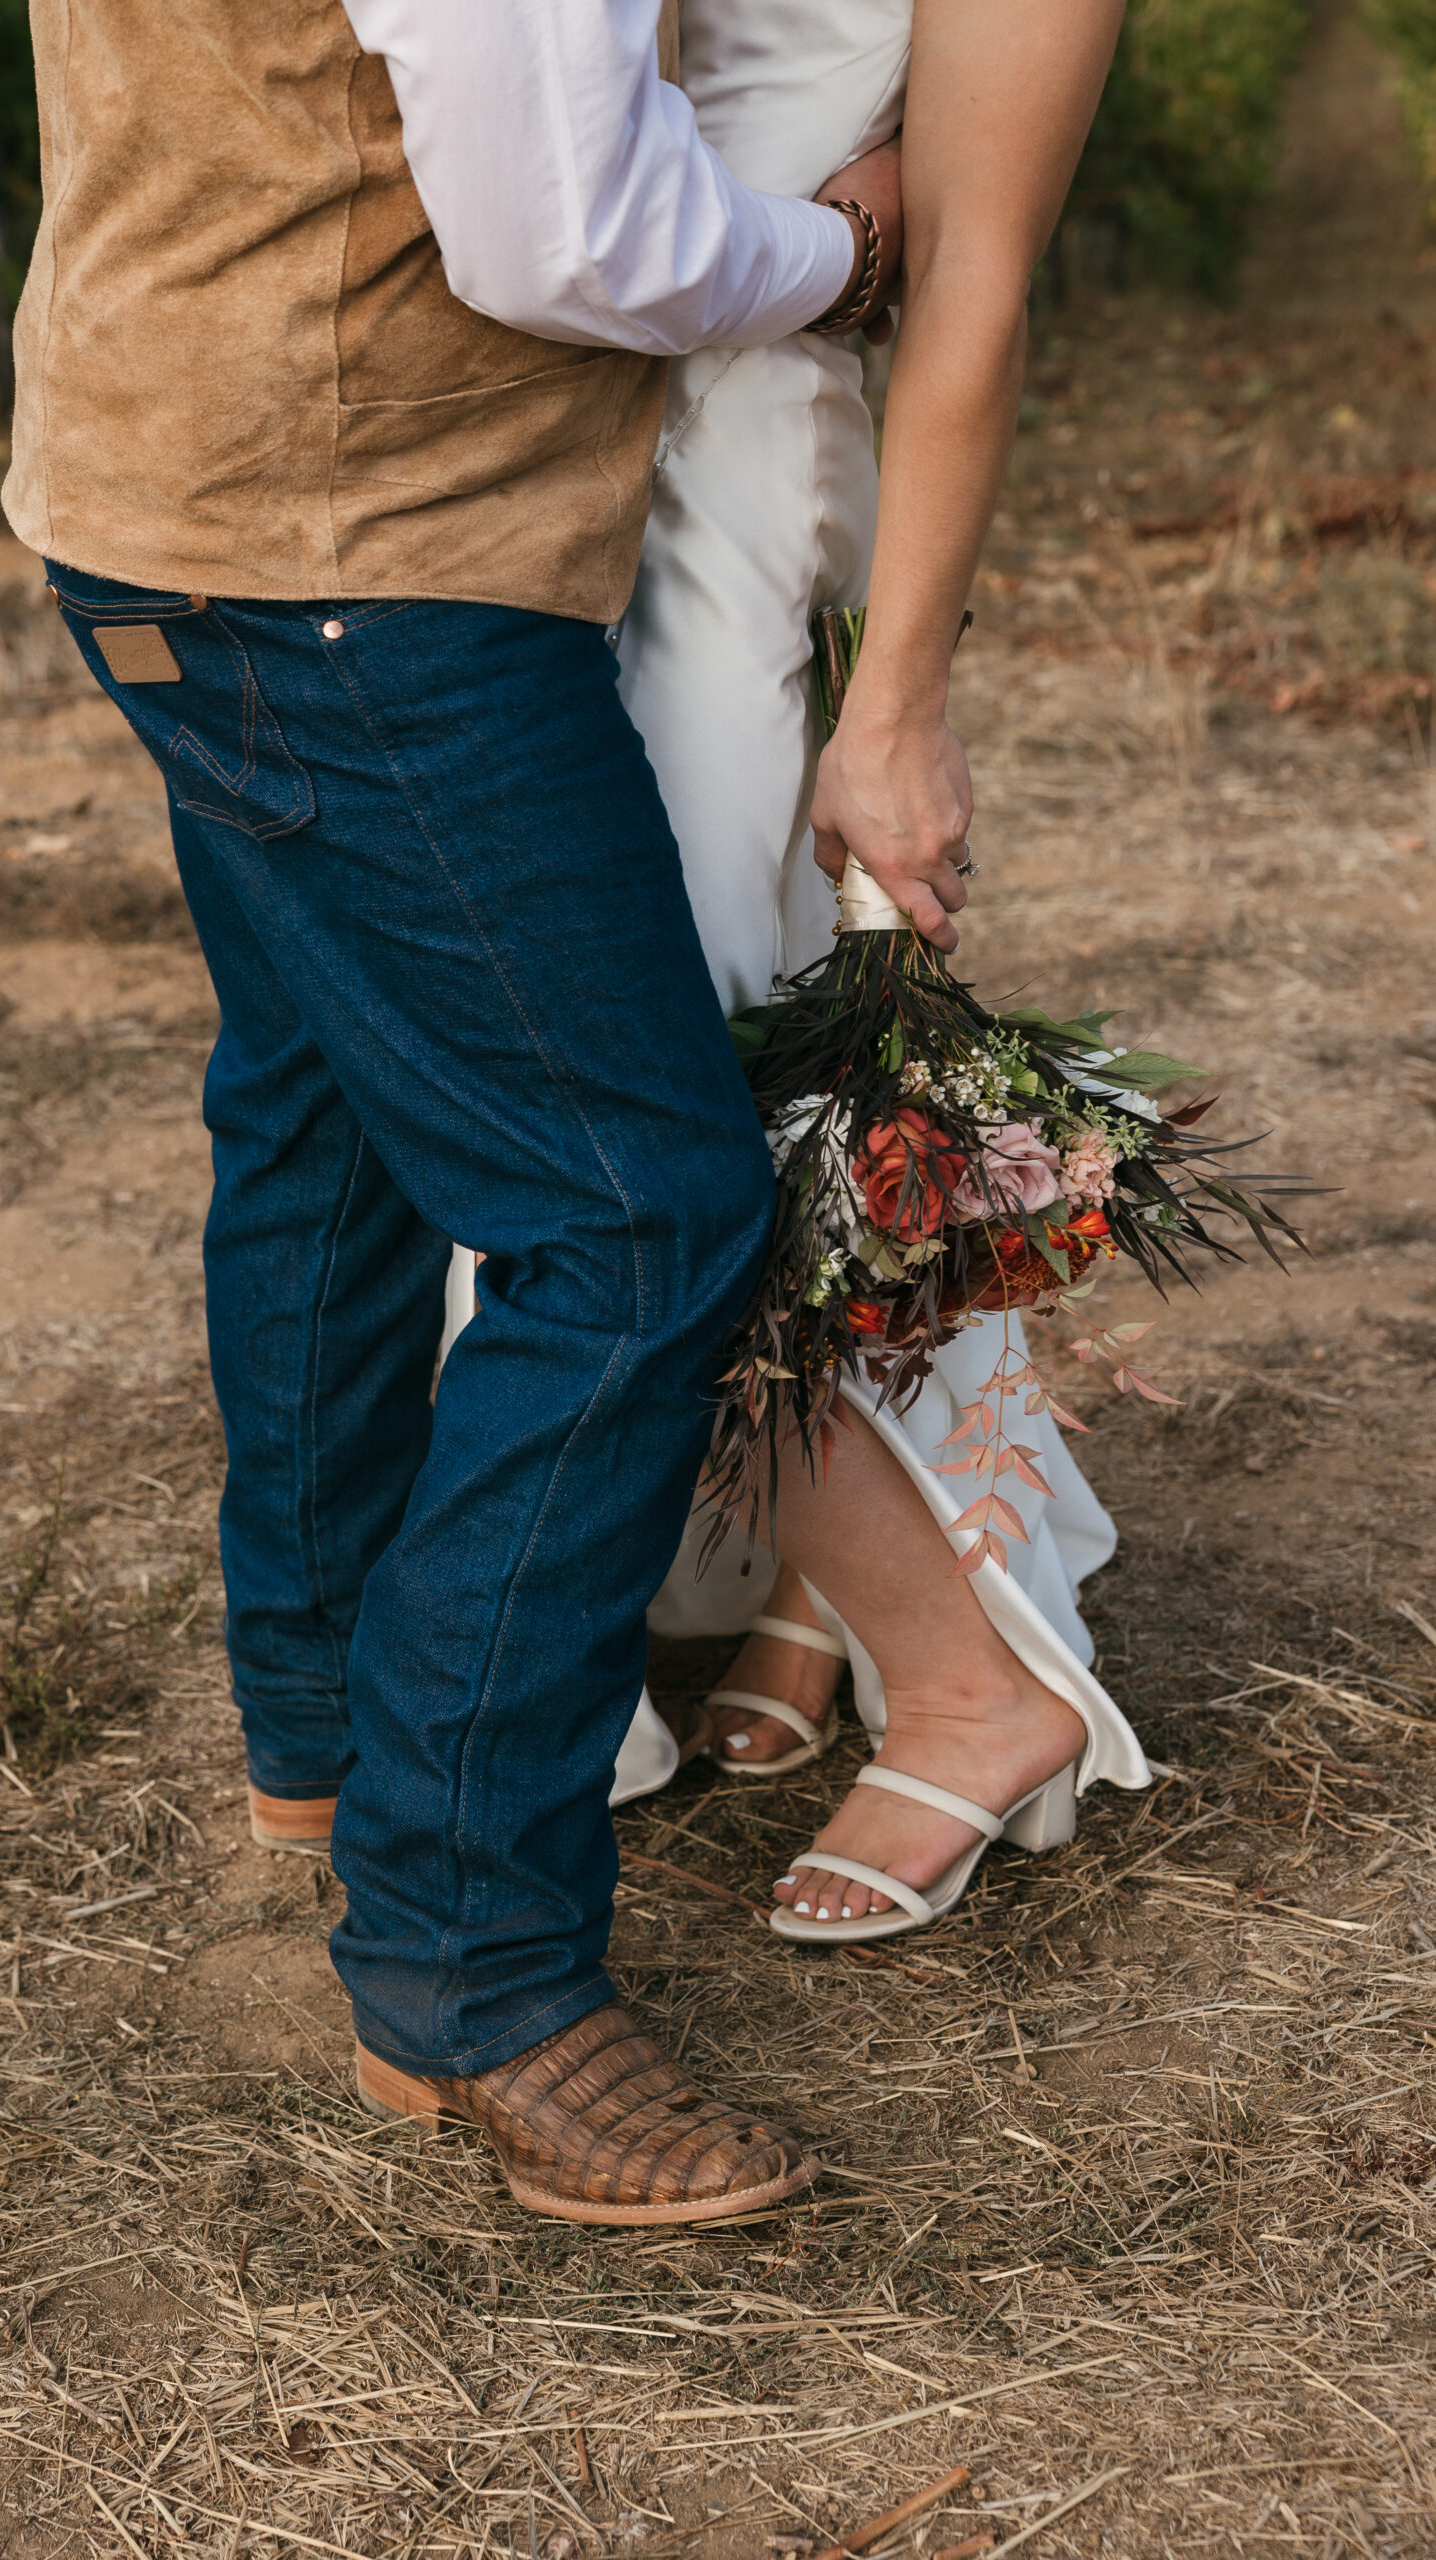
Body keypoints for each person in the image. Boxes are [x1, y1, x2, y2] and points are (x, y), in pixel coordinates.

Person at [3, 0, 905, 2223]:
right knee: (634, 1215)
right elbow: (553, 227)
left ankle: (315, 1734)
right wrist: (827, 257)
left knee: (319, 1113)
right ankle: (471, 1961)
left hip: (158, 480)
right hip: (353, 559)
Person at [612, 0, 1153, 1938]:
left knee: (666, 1051)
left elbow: (973, 281)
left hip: (748, 479)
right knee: (702, 1012)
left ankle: (950, 1657)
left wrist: (900, 701)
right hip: (572, 449)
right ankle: (796, 1573)